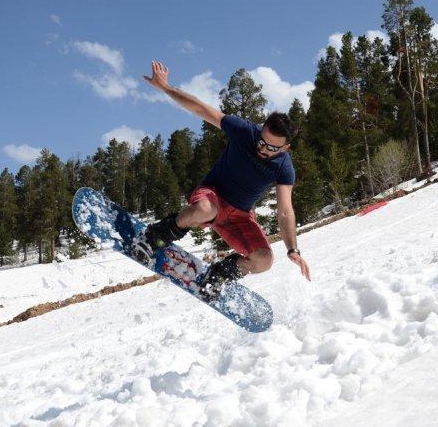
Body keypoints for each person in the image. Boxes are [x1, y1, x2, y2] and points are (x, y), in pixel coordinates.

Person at [133, 60, 311, 299]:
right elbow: (201, 109)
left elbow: (285, 211)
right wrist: (166, 88)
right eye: (262, 141)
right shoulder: (244, 131)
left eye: (271, 148)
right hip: (213, 196)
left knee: (263, 260)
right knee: (205, 209)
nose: (263, 149)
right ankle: (155, 237)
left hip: (239, 217)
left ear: (285, 148)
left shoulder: (284, 168)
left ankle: (219, 275)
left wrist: (292, 249)